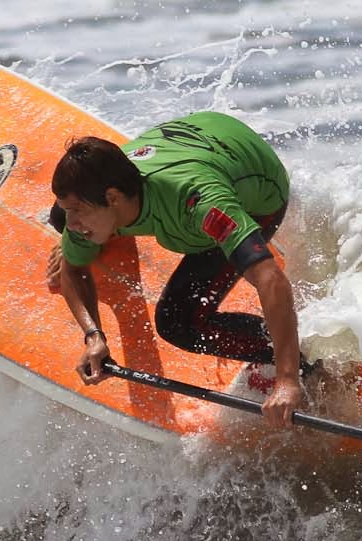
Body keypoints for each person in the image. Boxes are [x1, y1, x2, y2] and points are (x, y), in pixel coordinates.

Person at [46, 111, 312, 427]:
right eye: (70, 210)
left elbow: (271, 280)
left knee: (178, 322)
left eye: (78, 211)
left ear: (113, 198)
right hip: (198, 136)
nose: (73, 223)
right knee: (58, 219)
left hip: (258, 186)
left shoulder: (200, 206)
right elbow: (74, 271)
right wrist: (93, 336)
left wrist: (287, 379)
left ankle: (306, 363)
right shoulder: (104, 200)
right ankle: (93, 227)